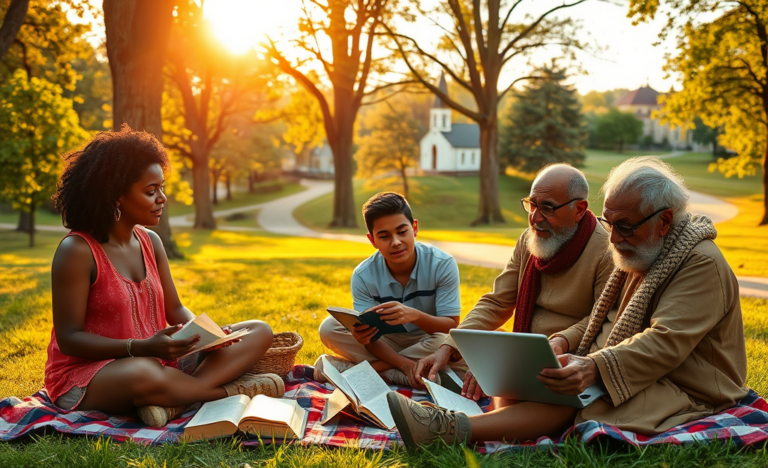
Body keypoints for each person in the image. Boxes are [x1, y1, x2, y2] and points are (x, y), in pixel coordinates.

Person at [387, 157, 748, 449]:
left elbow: (666, 340)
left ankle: (446, 428)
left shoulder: (698, 262)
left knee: (583, 399)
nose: (615, 237)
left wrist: (592, 366)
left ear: (665, 221)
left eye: (625, 226)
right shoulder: (643, 249)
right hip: (616, 362)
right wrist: (456, 345)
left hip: (691, 385)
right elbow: (607, 319)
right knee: (535, 383)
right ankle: (472, 419)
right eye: (611, 223)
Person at [45, 126, 282, 428]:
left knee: (258, 331)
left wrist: (206, 336)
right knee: (142, 373)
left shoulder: (151, 242)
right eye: (150, 191)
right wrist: (139, 348)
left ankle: (173, 400)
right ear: (116, 195)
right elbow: (69, 340)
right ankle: (231, 392)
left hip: (158, 360)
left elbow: (176, 310)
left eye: (161, 188)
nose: (162, 198)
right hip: (91, 373)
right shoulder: (77, 251)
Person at [414, 164, 613, 399]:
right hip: (522, 353)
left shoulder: (606, 251)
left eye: (547, 208)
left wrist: (555, 344)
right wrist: (448, 347)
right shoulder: (529, 241)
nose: (534, 218)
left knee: (506, 389)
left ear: (579, 209)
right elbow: (497, 302)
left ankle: (462, 424)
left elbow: (601, 320)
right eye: (532, 204)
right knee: (450, 360)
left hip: (571, 360)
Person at [315, 192, 461, 386]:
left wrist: (415, 316)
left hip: (428, 340)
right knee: (328, 327)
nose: (396, 242)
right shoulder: (363, 275)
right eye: (384, 236)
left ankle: (362, 371)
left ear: (414, 228)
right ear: (372, 240)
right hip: (384, 343)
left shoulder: (442, 264)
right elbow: (370, 339)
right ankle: (406, 370)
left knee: (447, 341)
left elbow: (450, 324)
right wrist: (402, 362)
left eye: (402, 232)